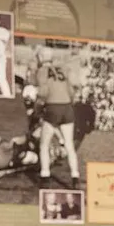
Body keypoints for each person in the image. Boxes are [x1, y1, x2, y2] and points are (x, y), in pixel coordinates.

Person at [34, 46, 81, 189]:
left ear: (41, 58)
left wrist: (37, 97)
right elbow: (73, 88)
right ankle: (75, 177)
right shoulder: (63, 68)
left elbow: (43, 92)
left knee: (44, 144)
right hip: (67, 107)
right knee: (69, 145)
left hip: (53, 107)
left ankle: (45, 176)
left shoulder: (41, 71)